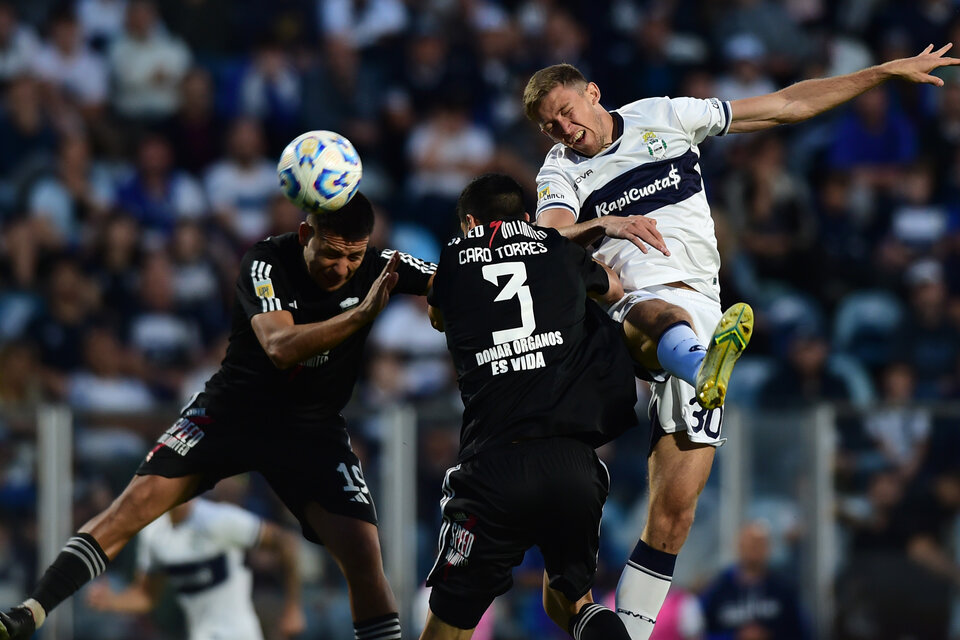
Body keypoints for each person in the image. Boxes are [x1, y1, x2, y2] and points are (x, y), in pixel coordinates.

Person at [523, 43, 959, 638]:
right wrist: (604, 224)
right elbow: (548, 242)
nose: (565, 129)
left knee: (674, 517)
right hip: (625, 302)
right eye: (550, 125)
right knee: (655, 313)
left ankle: (629, 631)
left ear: (594, 92)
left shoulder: (666, 117)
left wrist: (882, 73)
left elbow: (784, 105)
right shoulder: (560, 170)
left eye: (568, 111)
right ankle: (701, 365)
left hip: (706, 309)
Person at [0, 192, 436, 640]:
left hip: (311, 428)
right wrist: (361, 315)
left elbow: (452, 281)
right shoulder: (265, 261)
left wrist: (449, 302)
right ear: (307, 234)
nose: (341, 269)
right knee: (129, 509)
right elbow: (280, 348)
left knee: (364, 557)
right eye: (330, 254)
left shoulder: (382, 266)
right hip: (232, 412)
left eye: (354, 257)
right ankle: (28, 613)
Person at [420, 173, 639, 640]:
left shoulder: (453, 261)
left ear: (471, 225)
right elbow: (616, 290)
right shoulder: (559, 252)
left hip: (494, 464)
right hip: (574, 464)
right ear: (524, 218)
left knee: (450, 624)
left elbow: (437, 314)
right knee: (571, 603)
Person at [86, 497, 304, 640]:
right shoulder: (153, 533)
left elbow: (286, 542)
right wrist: (112, 601)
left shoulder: (218, 519)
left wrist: (292, 608)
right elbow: (147, 596)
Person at [699, 521, 809, 640]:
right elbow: (699, 633)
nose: (754, 549)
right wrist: (734, 636)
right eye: (750, 544)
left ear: (768, 548)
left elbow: (802, 632)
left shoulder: (783, 590)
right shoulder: (718, 589)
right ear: (739, 546)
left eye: (759, 544)